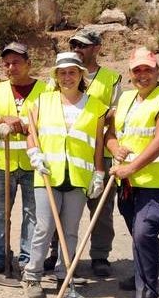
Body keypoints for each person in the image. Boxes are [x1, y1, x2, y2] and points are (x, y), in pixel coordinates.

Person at [105, 48, 159, 298]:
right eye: (137, 70)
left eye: (148, 69)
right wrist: (115, 148)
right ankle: (142, 274)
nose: (143, 75)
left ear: (157, 70)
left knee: (144, 234)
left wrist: (131, 167)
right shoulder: (125, 99)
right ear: (130, 74)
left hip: (155, 183)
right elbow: (111, 134)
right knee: (138, 235)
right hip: (127, 184)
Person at [21, 52, 107, 298]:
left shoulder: (96, 107)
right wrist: (34, 152)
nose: (67, 77)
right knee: (44, 227)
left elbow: (98, 144)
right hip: (48, 175)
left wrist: (98, 173)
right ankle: (32, 276)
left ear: (81, 74)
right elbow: (31, 133)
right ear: (56, 77)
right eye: (62, 73)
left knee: (70, 230)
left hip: (79, 177)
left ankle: (64, 275)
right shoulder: (41, 102)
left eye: (72, 72)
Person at [45, 29, 122, 277]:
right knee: (62, 208)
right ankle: (58, 254)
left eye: (84, 45)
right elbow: (49, 104)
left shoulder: (111, 78)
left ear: (97, 48)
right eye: (74, 44)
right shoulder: (60, 73)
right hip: (68, 153)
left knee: (100, 208)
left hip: (99, 152)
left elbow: (117, 114)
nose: (78, 48)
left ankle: (100, 255)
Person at [0, 42, 48, 273]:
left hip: (33, 163)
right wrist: (4, 120)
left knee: (33, 213)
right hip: (3, 162)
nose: (11, 67)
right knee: (0, 212)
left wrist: (25, 125)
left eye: (16, 62)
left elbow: (50, 123)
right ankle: (0, 257)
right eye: (7, 63)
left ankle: (27, 259)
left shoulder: (45, 90)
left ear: (28, 64)